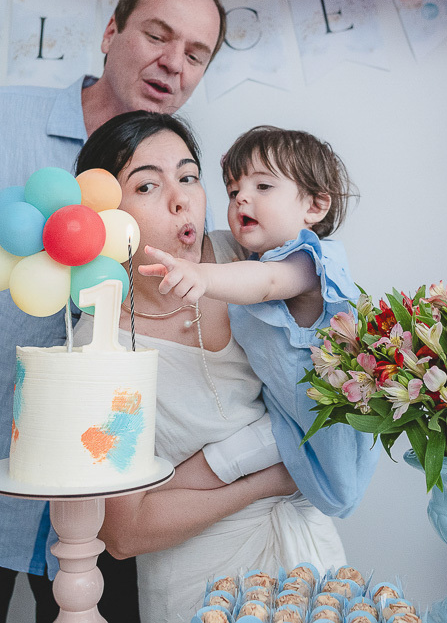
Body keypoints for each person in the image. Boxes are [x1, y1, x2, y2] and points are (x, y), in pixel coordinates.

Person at [0, 0, 226, 623]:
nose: (172, 62)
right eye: (158, 34)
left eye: (195, 53)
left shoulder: (184, 178)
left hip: (112, 508)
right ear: (111, 31)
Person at [72, 112, 347, 623]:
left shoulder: (248, 256)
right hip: (198, 584)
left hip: (308, 556)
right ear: (106, 214)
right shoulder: (99, 342)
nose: (180, 199)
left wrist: (186, 480)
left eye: (190, 176)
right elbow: (125, 533)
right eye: (148, 185)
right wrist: (276, 477)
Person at [140, 125, 379, 517]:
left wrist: (200, 275)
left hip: (317, 420)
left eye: (263, 187)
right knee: (227, 454)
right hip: (283, 412)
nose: (241, 199)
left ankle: (159, 489)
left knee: (224, 459)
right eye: (233, 191)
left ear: (315, 207)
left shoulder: (312, 262)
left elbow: (267, 284)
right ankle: (158, 493)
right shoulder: (253, 259)